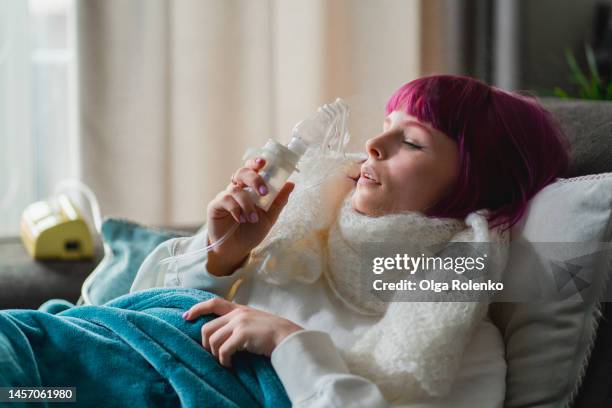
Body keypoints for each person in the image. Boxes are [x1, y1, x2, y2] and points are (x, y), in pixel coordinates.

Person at [131, 75, 570, 407]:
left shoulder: (459, 347)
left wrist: (290, 344)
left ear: (474, 187)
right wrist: (220, 256)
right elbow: (136, 320)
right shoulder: (290, 248)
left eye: (412, 143)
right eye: (384, 126)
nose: (373, 144)